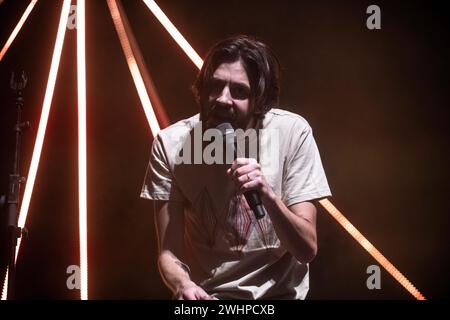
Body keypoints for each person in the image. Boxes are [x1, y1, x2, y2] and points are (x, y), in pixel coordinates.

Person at [141, 35, 331, 300]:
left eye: (239, 91)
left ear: (260, 100)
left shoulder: (291, 133)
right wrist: (182, 284)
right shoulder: (171, 144)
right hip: (209, 298)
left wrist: (268, 195)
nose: (222, 99)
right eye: (215, 86)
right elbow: (168, 252)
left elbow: (306, 249)